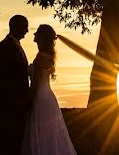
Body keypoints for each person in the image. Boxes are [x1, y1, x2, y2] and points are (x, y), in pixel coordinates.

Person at [19, 24, 77, 155]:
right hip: (47, 97)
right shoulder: (46, 55)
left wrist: (27, 102)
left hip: (40, 98)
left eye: (37, 33)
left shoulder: (41, 57)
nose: (34, 35)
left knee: (40, 134)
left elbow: (35, 83)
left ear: (42, 37)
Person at [0, 14, 32, 155]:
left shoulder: (14, 46)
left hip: (17, 106)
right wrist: (16, 102)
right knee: (10, 144)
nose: (27, 31)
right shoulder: (5, 47)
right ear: (15, 26)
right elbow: (3, 79)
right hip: (10, 106)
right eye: (25, 26)